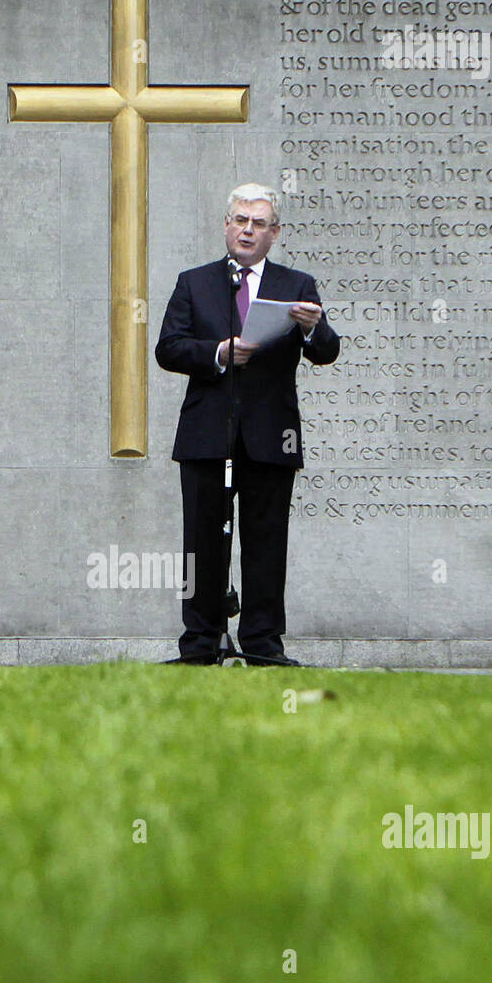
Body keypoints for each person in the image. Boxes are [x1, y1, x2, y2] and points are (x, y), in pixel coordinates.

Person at [155, 181, 341, 666]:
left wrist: (310, 326)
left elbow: (326, 351)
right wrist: (217, 353)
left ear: (274, 233)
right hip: (207, 433)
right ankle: (200, 643)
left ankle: (263, 644)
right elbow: (168, 347)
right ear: (226, 225)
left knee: (265, 541)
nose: (247, 231)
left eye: (259, 224)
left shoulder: (295, 286)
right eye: (240, 220)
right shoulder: (194, 282)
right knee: (201, 542)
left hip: (269, 434)